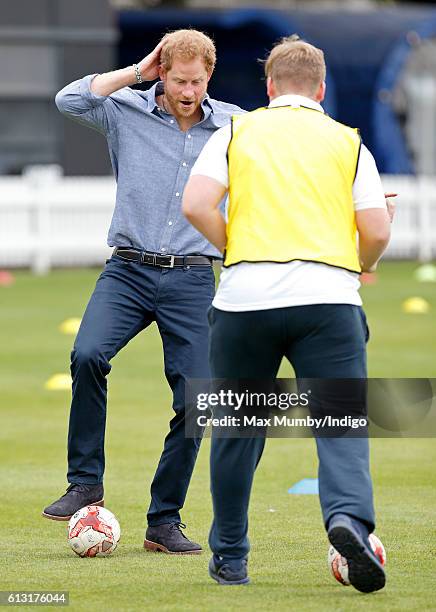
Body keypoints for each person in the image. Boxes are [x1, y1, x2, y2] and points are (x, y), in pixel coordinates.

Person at [183, 36, 393, 587]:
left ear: (270, 87)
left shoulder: (236, 131)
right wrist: (358, 264)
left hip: (245, 298)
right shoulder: (349, 144)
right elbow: (375, 229)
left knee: (237, 429)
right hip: (328, 299)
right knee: (340, 424)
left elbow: (196, 204)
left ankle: (230, 556)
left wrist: (236, 250)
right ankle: (347, 519)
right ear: (321, 88)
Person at [42, 29, 243, 555]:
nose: (188, 91)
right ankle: (85, 482)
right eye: (178, 79)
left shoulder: (233, 126)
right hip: (127, 271)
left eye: (197, 81)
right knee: (87, 353)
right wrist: (136, 72)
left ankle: (164, 520)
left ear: (209, 77)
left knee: (196, 401)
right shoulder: (124, 109)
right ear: (162, 71)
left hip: (194, 278)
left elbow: (290, 157)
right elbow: (69, 99)